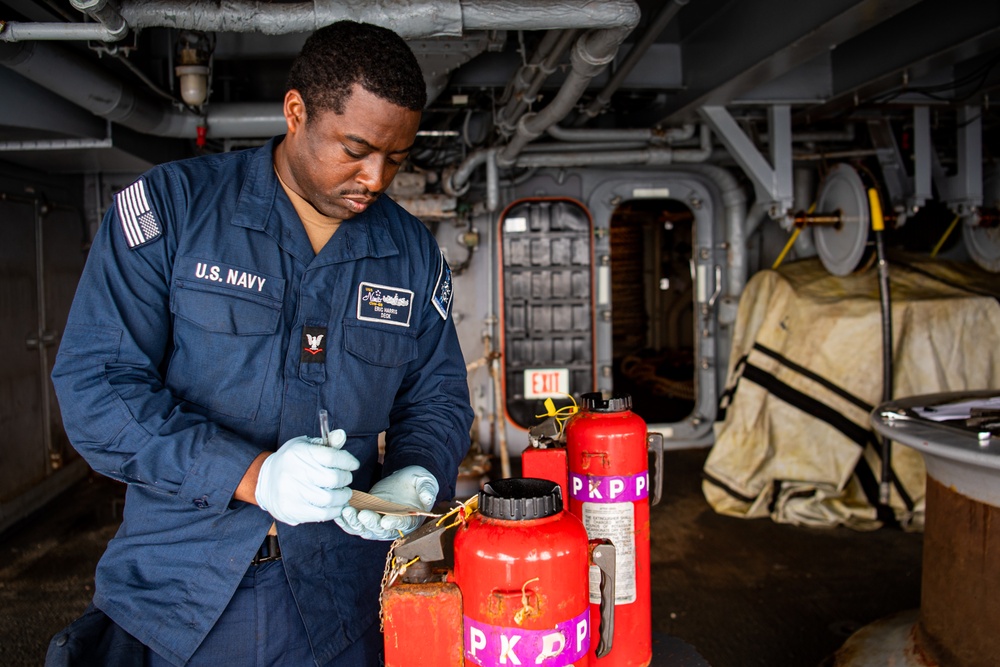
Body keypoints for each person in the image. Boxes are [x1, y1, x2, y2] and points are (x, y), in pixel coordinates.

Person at [48, 20, 474, 667]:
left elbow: (437, 394)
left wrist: (414, 473)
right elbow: (97, 388)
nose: (376, 176)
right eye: (355, 148)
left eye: (396, 157)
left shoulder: (409, 254)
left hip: (341, 604)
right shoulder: (173, 212)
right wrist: (251, 475)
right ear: (296, 111)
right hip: (178, 593)